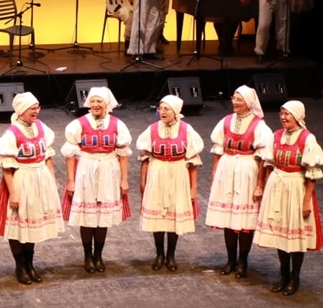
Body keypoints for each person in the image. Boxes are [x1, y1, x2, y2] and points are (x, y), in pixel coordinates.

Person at [254, 100, 323, 295]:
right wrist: (263, 186)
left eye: (288, 114)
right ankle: (283, 274)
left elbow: (312, 173)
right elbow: (267, 162)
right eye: (282, 114)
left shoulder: (307, 139)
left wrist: (306, 201)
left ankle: (295, 277)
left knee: (294, 237)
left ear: (298, 116)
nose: (283, 118)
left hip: (296, 187)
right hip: (278, 185)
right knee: (280, 234)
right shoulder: (277, 136)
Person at [0, 92, 63, 285]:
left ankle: (30, 263)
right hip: (21, 180)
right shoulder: (12, 133)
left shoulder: (40, 127)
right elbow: (7, 167)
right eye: (32, 108)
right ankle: (20, 265)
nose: (36, 111)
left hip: (40, 178)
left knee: (32, 221)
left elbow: (47, 157)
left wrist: (52, 181)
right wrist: (13, 192)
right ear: (22, 111)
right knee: (18, 224)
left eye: (37, 107)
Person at [205, 85, 274, 278]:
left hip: (247, 171)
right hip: (227, 170)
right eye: (234, 98)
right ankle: (231, 259)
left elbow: (263, 158)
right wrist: (214, 177)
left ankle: (243, 261)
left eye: (239, 99)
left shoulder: (259, 126)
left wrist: (260, 184)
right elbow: (218, 151)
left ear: (249, 102)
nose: (235, 102)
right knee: (228, 218)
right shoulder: (226, 121)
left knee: (244, 220)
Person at [63, 86, 132, 273]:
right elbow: (70, 155)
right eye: (92, 101)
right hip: (86, 169)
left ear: (107, 104)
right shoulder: (79, 124)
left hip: (109, 170)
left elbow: (123, 154)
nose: (95, 105)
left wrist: (124, 180)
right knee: (87, 216)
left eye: (99, 101)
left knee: (103, 216)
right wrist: (71, 180)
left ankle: (98, 256)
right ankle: (87, 256)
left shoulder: (118, 125)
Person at [137, 94, 204, 271]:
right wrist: (143, 182)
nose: (162, 112)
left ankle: (171, 255)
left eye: (166, 109)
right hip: (157, 172)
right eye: (160, 108)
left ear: (175, 112)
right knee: (158, 215)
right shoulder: (151, 130)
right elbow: (145, 158)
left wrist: (193, 187)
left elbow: (192, 161)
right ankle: (159, 254)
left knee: (174, 214)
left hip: (178, 173)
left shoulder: (187, 130)